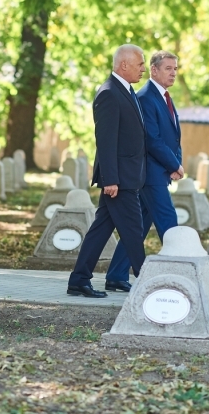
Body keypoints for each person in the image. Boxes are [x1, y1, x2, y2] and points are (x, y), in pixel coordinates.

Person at [67, 44, 148, 298]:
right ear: (124, 64)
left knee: (101, 229)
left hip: (127, 176)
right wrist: (110, 179)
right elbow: (106, 140)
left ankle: (79, 279)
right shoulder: (109, 93)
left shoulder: (127, 91)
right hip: (119, 180)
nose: (143, 69)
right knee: (134, 229)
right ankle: (148, 282)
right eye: (140, 64)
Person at [104, 51, 184, 292]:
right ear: (154, 70)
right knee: (169, 223)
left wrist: (175, 162)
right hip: (149, 175)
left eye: (175, 68)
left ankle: (117, 275)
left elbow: (172, 136)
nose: (173, 73)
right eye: (168, 68)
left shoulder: (164, 97)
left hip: (160, 172)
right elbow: (152, 139)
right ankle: (181, 273)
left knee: (136, 228)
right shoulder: (146, 97)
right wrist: (174, 164)